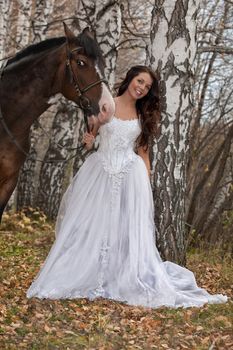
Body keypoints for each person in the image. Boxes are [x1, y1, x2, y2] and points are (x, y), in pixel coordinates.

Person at [27, 66, 228, 308]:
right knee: (91, 224)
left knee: (124, 227)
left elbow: (143, 152)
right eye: (139, 81)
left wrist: (145, 180)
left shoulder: (143, 114)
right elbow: (92, 139)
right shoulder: (106, 103)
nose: (141, 87)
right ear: (130, 78)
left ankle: (120, 274)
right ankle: (88, 272)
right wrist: (89, 141)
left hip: (129, 175)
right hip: (100, 171)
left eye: (146, 86)